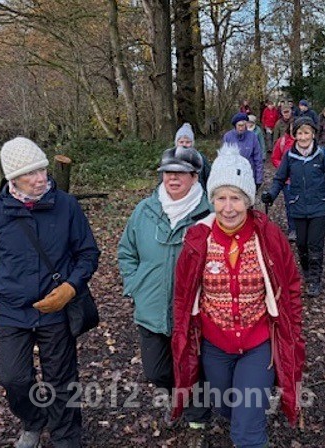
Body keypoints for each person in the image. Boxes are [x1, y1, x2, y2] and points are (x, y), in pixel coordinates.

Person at [0, 136, 100, 448]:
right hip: (12, 311)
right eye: (31, 173)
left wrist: (70, 289)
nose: (40, 177)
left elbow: (88, 254)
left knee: (61, 380)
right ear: (12, 179)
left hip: (55, 310)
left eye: (42, 169)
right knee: (13, 379)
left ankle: (66, 438)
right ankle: (33, 419)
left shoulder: (66, 206)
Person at [170, 144, 305, 448]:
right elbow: (182, 295)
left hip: (258, 345)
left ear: (248, 201)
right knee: (225, 408)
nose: (228, 208)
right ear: (211, 200)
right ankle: (247, 412)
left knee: (246, 434)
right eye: (220, 198)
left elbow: (292, 287)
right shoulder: (197, 239)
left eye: (235, 199)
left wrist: (292, 332)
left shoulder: (268, 236)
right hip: (215, 345)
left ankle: (251, 421)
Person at [118, 146, 212, 447]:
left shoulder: (209, 214)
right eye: (168, 172)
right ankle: (177, 398)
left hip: (195, 311)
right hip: (151, 309)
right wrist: (135, 285)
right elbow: (126, 251)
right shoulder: (145, 210)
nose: (173, 178)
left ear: (194, 177)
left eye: (181, 173)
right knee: (156, 370)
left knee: (195, 368)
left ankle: (198, 422)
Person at [262, 117, 325, 297]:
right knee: (301, 245)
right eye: (299, 133)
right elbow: (279, 179)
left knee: (315, 244)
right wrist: (271, 195)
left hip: (319, 205)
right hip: (298, 205)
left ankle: (314, 279)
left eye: (306, 132)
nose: (303, 136)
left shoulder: (322, 154)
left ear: (313, 134)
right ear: (295, 135)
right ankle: (307, 272)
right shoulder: (290, 156)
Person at [271, 121, 297, 242]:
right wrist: (283, 168)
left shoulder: (305, 142)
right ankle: (293, 229)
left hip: (303, 179)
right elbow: (275, 158)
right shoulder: (282, 141)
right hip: (287, 180)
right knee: (290, 204)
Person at [222, 112, 263, 188]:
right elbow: (223, 159)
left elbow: (258, 158)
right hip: (233, 174)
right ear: (235, 125)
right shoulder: (228, 137)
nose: (241, 128)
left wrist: (259, 179)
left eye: (243, 125)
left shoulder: (252, 136)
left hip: (249, 173)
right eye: (239, 126)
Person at [172, 123, 211, 189]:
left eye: (187, 142)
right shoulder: (170, 158)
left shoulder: (200, 158)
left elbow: (209, 177)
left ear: (192, 143)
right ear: (176, 143)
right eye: (181, 142)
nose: (184, 144)